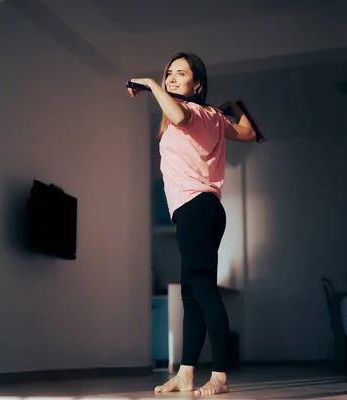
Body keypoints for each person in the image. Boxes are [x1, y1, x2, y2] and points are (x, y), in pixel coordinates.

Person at [127, 52, 256, 396]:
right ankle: (186, 374)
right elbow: (248, 133)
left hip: (195, 209)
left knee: (202, 291)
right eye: (167, 73)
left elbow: (180, 116)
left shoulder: (194, 113)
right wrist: (235, 105)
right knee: (192, 296)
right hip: (203, 210)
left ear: (196, 84)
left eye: (179, 74)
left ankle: (219, 376)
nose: (170, 78)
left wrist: (152, 86)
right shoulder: (215, 115)